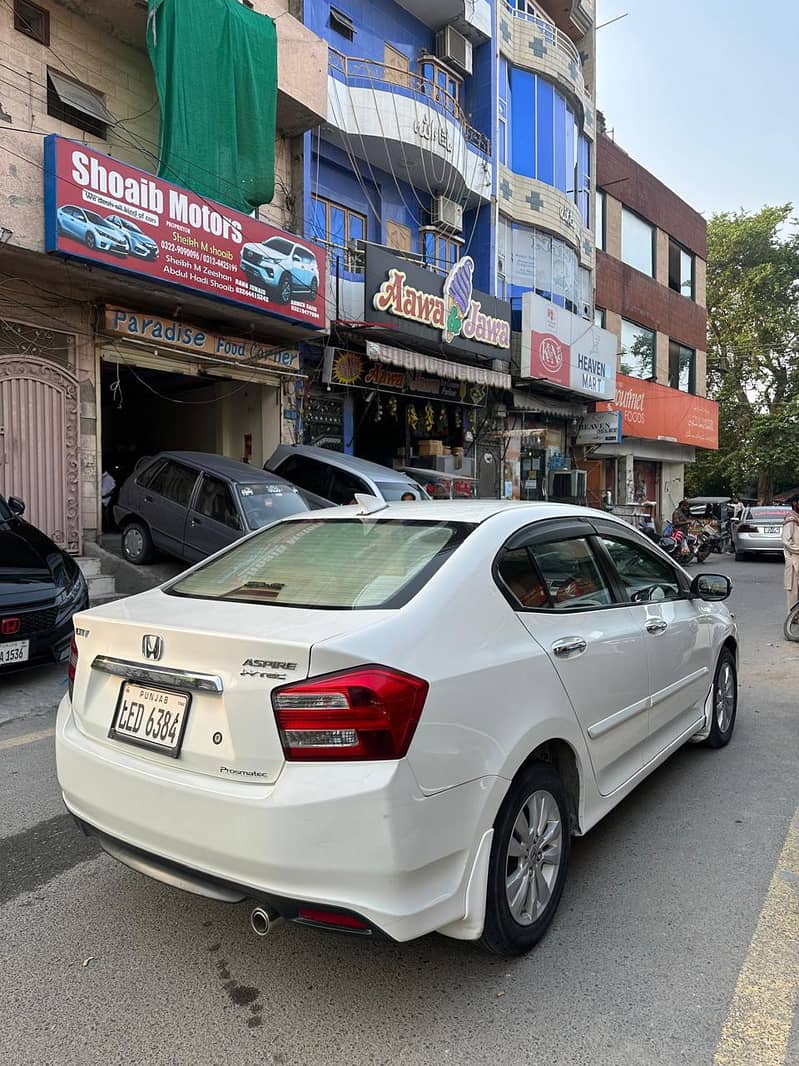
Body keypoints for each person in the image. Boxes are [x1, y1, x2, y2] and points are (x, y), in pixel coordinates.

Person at [782, 497, 799, 613]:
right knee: (793, 589)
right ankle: (793, 615)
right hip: (793, 559)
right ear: (795, 503)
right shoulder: (791, 519)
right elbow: (786, 541)